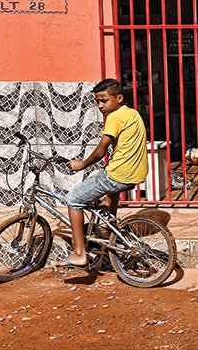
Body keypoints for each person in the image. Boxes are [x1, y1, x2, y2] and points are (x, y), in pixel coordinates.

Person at [58, 79, 148, 268]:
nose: (100, 106)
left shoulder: (115, 117)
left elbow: (101, 151)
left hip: (119, 174)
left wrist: (82, 164)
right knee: (109, 190)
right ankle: (109, 227)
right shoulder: (132, 113)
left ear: (119, 98)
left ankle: (79, 253)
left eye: (104, 101)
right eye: (97, 101)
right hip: (135, 173)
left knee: (73, 199)